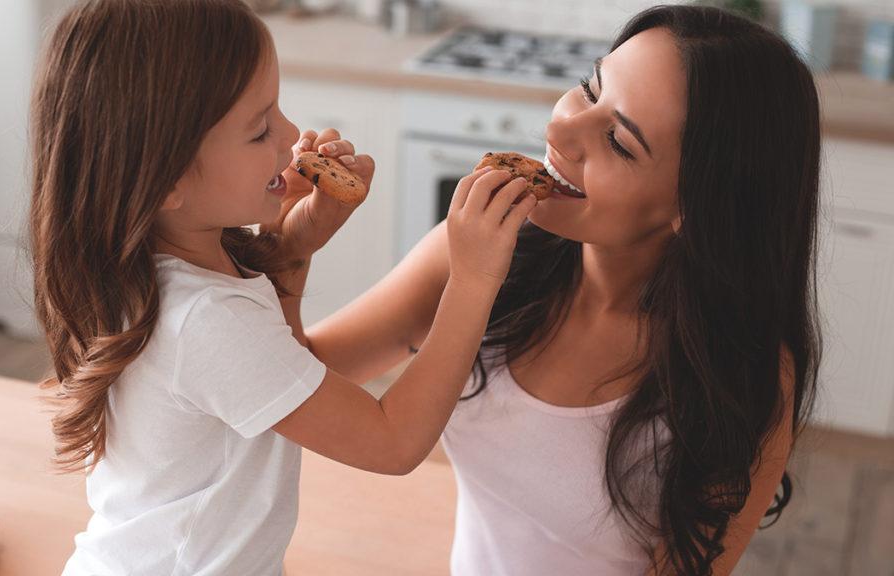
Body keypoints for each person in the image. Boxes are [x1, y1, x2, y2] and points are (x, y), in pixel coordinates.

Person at [296, 5, 822, 575]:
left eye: (618, 141)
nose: (558, 131)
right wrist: (289, 248)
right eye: (588, 89)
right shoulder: (478, 259)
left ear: (696, 209)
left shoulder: (742, 376)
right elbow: (291, 383)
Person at [28, 0, 536, 573]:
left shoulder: (146, 267)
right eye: (259, 129)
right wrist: (473, 279)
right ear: (165, 179)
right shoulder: (205, 319)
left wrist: (290, 250)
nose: (291, 135)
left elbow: (281, 376)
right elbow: (393, 442)